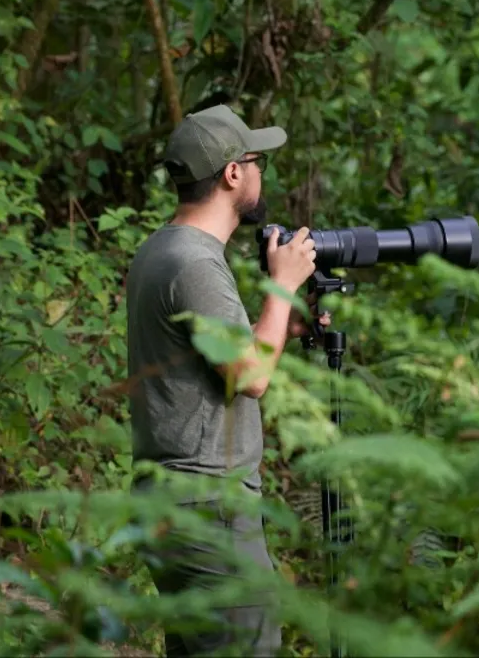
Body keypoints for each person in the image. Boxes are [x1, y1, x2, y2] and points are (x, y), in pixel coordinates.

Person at [125, 104, 329, 657]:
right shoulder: (194, 263)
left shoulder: (161, 249)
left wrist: (285, 316)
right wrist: (282, 287)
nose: (262, 173)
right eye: (257, 160)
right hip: (207, 504)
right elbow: (251, 375)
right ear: (233, 173)